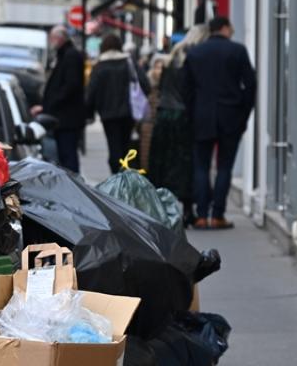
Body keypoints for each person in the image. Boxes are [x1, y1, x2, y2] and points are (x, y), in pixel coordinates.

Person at [182, 15, 256, 229]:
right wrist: (243, 113)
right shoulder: (238, 51)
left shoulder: (194, 52)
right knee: (225, 167)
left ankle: (202, 215)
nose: (232, 30)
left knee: (201, 167)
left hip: (202, 116)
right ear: (224, 28)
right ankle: (218, 215)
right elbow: (250, 85)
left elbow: (186, 89)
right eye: (231, 27)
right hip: (230, 115)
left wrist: (192, 112)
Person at [149, 25, 209, 224]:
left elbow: (161, 89)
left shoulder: (170, 58)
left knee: (163, 163)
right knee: (186, 164)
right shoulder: (196, 59)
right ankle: (188, 209)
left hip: (165, 115)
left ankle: (161, 209)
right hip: (183, 117)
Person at [86, 32, 152, 174]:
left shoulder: (99, 66)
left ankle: (117, 177)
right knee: (125, 145)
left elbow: (91, 92)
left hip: (107, 114)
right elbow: (146, 85)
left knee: (113, 146)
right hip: (129, 113)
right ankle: (124, 175)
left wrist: (89, 113)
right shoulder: (129, 62)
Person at [33, 26, 87, 172]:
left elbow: (70, 86)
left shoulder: (70, 56)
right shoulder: (65, 55)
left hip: (67, 118)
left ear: (59, 38)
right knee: (65, 156)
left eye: (52, 38)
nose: (51, 41)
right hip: (64, 117)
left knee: (68, 157)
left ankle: (74, 188)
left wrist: (51, 104)